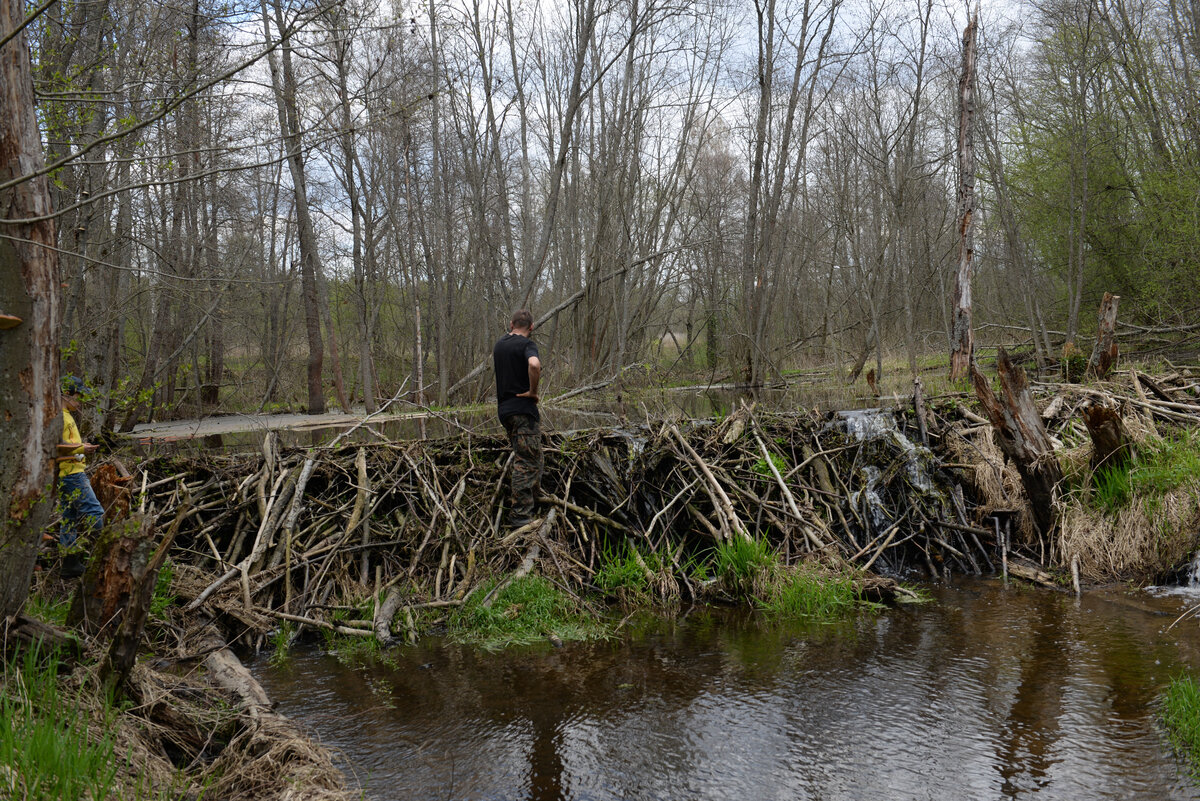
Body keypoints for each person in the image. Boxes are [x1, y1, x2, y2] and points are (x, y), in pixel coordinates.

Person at [493, 310, 543, 527]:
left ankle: (534, 500)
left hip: (504, 411)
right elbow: (534, 365)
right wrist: (533, 392)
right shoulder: (527, 345)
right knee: (526, 461)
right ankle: (520, 516)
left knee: (533, 455)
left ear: (511, 323)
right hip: (523, 411)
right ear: (531, 327)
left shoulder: (499, 345)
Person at [56, 375, 103, 577]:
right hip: (71, 475)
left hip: (68, 473)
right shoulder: (59, 417)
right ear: (67, 394)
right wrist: (81, 448)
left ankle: (69, 564)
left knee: (69, 517)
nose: (80, 401)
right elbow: (55, 447)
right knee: (96, 512)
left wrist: (81, 449)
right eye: (78, 396)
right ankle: (100, 557)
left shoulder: (65, 415)